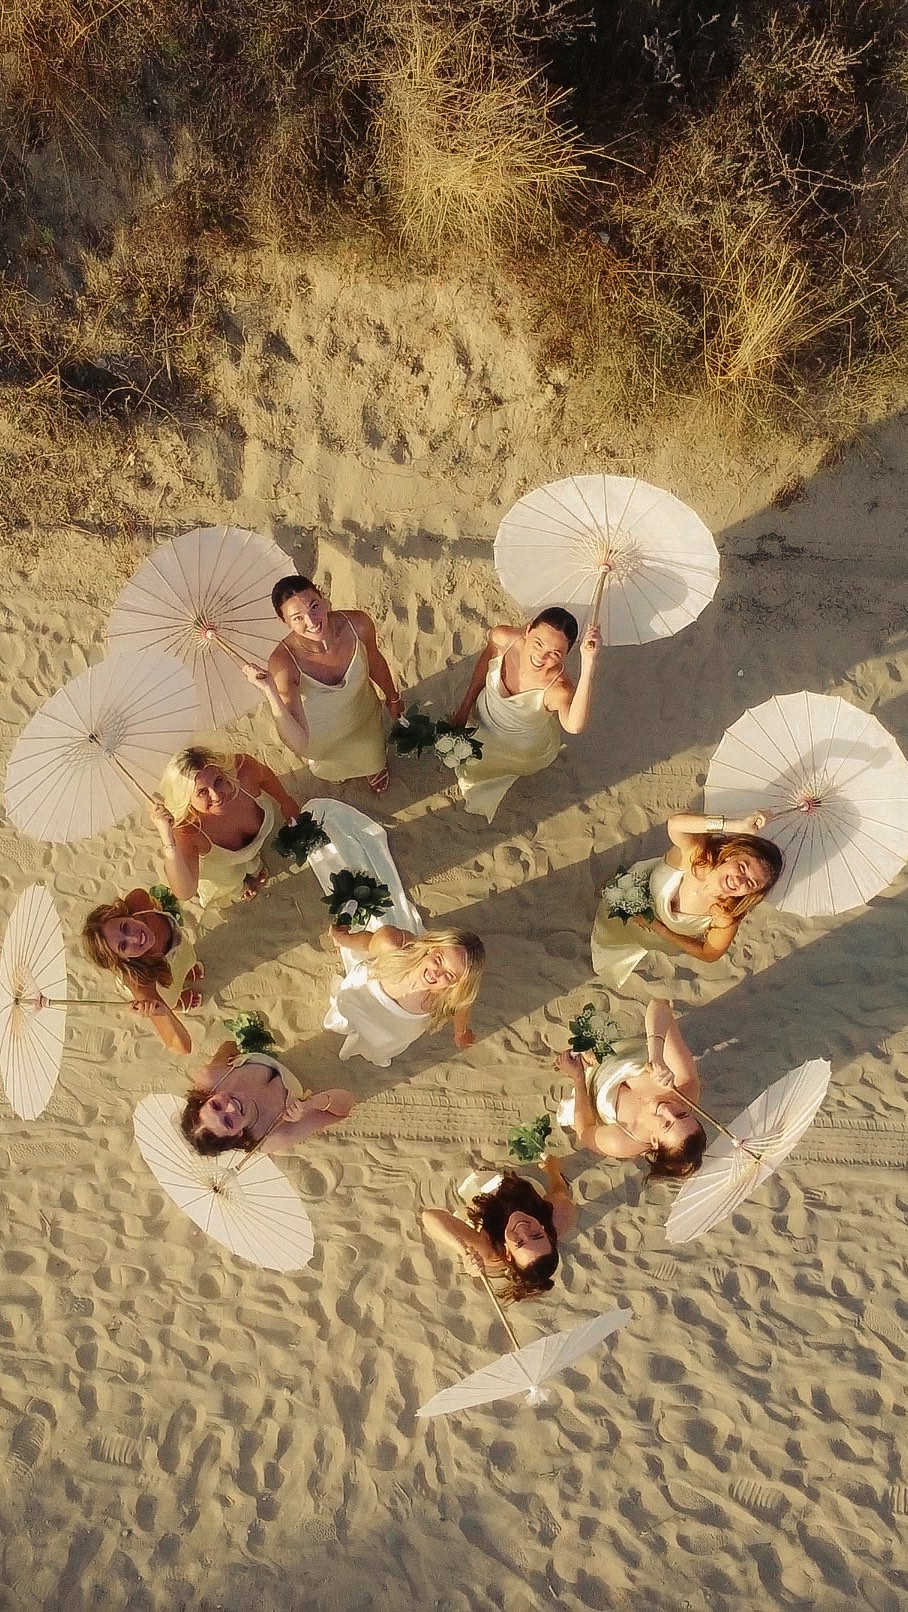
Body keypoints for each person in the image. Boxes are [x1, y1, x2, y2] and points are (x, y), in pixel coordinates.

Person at [243, 575, 404, 795]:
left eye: (314, 607)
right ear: (284, 622)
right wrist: (270, 690)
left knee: (372, 754)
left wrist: (392, 696)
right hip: (320, 732)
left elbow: (374, 661)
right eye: (297, 618)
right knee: (330, 766)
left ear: (323, 598)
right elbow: (298, 741)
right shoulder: (283, 662)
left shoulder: (357, 624)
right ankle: (337, 772)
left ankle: (371, 769)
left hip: (362, 714)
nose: (312, 622)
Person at [591, 808, 783, 988]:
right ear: (729, 856)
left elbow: (709, 954)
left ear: (751, 893)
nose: (740, 880)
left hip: (654, 934)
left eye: (750, 883)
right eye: (742, 867)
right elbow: (675, 824)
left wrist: (661, 931)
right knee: (609, 917)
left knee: (624, 943)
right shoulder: (695, 855)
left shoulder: (725, 917)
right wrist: (737, 826)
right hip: (636, 888)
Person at [449, 609, 602, 822]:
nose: (541, 656)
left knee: (486, 766)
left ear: (566, 655)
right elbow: (484, 666)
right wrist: (466, 706)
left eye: (555, 654)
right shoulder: (503, 638)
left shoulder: (558, 688)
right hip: (483, 717)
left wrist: (589, 665)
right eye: (538, 643)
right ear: (528, 629)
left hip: (518, 748)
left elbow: (574, 726)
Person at [555, 999, 706, 1180]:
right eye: (682, 1115)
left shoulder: (621, 1141)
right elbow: (659, 1005)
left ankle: (590, 1067)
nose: (668, 1109)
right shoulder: (684, 1090)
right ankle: (595, 1061)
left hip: (590, 1091)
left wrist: (577, 1077)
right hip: (622, 1056)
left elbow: (584, 1132)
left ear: (655, 1141)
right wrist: (656, 1056)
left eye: (666, 1124)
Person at [153, 747, 298, 908]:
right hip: (221, 867)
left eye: (218, 781)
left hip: (252, 851)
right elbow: (185, 892)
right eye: (202, 792)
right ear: (187, 798)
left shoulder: (244, 771)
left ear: (223, 772)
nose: (216, 795)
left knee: (251, 860)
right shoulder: (187, 832)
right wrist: (167, 837)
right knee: (230, 877)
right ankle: (237, 887)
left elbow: (266, 777)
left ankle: (253, 864)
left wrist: (285, 800)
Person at [324, 924, 485, 1067]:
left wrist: (461, 1033)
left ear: (455, 984)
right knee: (347, 1013)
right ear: (431, 948)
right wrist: (344, 939)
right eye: (438, 959)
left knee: (378, 1043)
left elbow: (462, 1006)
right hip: (361, 997)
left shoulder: (445, 998)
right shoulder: (393, 945)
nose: (437, 972)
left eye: (449, 975)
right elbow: (368, 943)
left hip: (395, 1029)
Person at [421, 1159, 575, 1302]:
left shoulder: (489, 1249)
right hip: (522, 1195)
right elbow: (559, 1188)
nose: (523, 1228)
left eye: (520, 1242)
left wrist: (465, 1252)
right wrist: (552, 1168)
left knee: (476, 1186)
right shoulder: (560, 1214)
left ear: (507, 1252)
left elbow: (430, 1217)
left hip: (487, 1209)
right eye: (536, 1235)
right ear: (545, 1232)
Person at [181, 1038, 355, 1156]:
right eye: (228, 1122)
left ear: (206, 1098)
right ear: (237, 1134)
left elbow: (228, 1046)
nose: (231, 1107)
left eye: (216, 1105)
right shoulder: (273, 1135)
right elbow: (345, 1105)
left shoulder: (211, 1078)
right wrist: (313, 1103)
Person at [82, 887, 202, 1055]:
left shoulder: (138, 901)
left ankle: (187, 970)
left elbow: (147, 897)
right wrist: (164, 1011)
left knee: (187, 963)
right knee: (171, 996)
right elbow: (181, 1047)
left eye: (125, 927)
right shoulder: (141, 983)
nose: (135, 937)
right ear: (123, 960)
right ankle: (176, 1005)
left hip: (180, 949)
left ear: (124, 915)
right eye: (123, 946)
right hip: (159, 983)